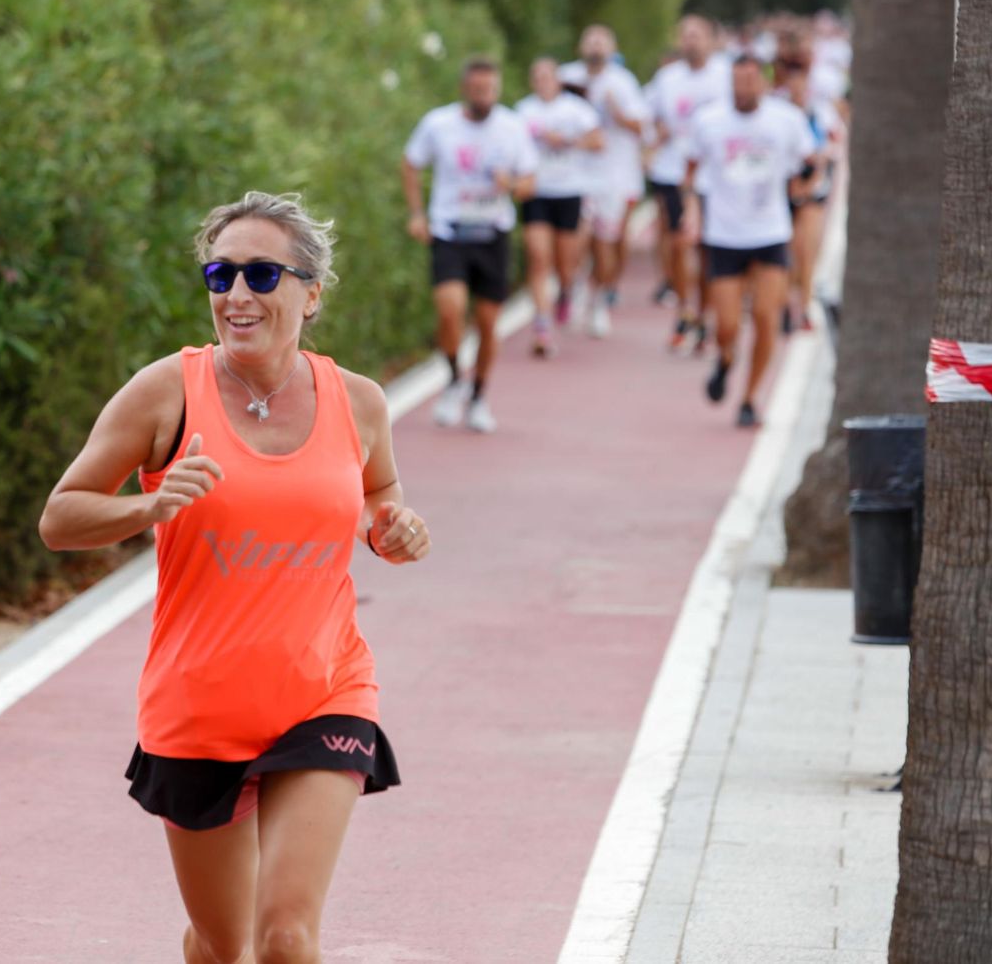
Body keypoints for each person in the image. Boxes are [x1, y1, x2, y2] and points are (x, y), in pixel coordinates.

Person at [39, 191, 427, 964]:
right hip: (199, 705)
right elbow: (61, 516)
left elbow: (378, 493)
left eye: (260, 274)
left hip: (324, 689)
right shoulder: (165, 392)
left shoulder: (359, 402)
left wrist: (390, 529)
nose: (237, 295)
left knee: (284, 938)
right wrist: (149, 506)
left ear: (311, 293)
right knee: (225, 943)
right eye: (220, 275)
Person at [401, 56, 538, 430]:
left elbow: (530, 185)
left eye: (490, 89)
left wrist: (508, 183)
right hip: (450, 231)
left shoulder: (512, 127)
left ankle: (478, 396)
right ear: (465, 89)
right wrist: (417, 213)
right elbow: (411, 163)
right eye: (477, 90)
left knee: (489, 324)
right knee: (450, 309)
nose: (484, 96)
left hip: (492, 234)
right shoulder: (439, 124)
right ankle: (453, 379)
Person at [686, 57, 816, 427]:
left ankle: (749, 397)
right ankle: (725, 357)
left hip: (770, 232)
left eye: (749, 81)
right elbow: (691, 172)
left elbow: (811, 160)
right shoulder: (709, 121)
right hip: (725, 234)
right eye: (736, 82)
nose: (742, 89)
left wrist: (802, 192)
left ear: (764, 83)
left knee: (765, 317)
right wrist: (693, 211)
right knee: (726, 324)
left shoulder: (786, 120)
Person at [646, 14, 731, 352]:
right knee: (676, 243)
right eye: (686, 36)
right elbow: (648, 120)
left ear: (710, 39)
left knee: (706, 251)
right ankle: (683, 306)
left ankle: (705, 315)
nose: (691, 41)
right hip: (672, 171)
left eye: (697, 35)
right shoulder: (667, 78)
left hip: (713, 178)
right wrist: (655, 135)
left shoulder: (725, 75)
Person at [562, 26, 651, 338]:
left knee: (607, 243)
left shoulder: (622, 83)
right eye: (591, 40)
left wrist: (616, 111)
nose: (596, 46)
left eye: (602, 42)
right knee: (576, 240)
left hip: (615, 176)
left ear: (612, 48)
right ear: (581, 45)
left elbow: (642, 127)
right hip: (575, 176)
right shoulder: (567, 77)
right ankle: (574, 287)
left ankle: (599, 299)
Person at [515, 57, 603, 356]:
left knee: (565, 264)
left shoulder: (575, 110)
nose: (542, 82)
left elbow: (598, 141)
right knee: (538, 258)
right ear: (532, 81)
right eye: (537, 77)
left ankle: (566, 289)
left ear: (557, 80)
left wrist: (566, 140)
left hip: (569, 190)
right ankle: (542, 325)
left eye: (547, 77)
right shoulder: (523, 111)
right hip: (537, 191)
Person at [776, 57, 844, 332]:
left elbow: (831, 149)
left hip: (813, 187)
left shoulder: (821, 112)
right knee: (787, 249)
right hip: (784, 186)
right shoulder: (778, 112)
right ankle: (783, 303)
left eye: (801, 81)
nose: (797, 87)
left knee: (806, 249)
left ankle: (803, 307)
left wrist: (813, 179)